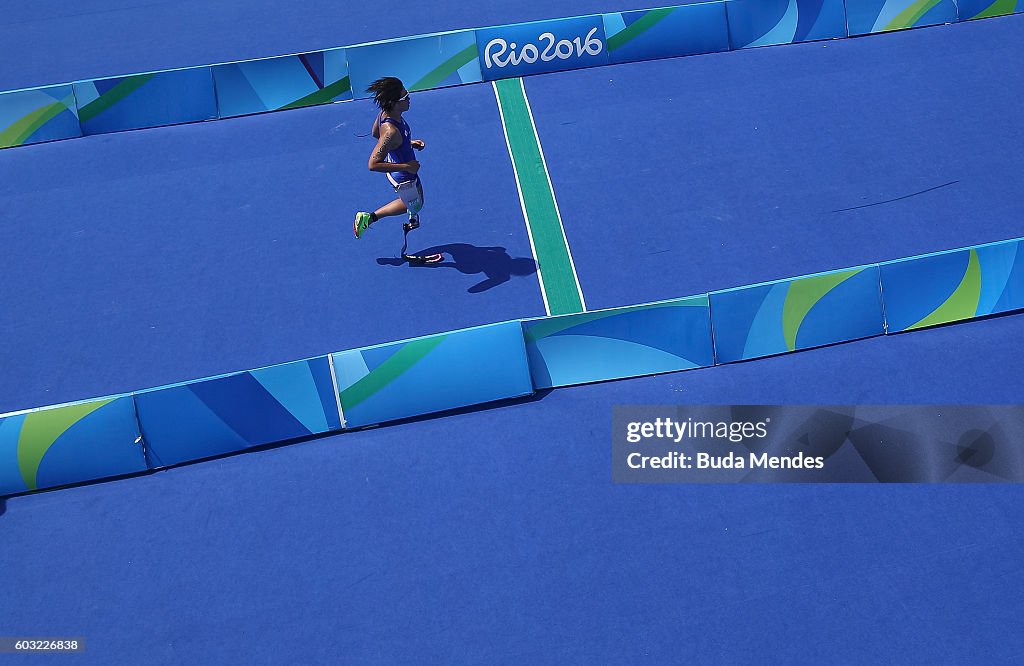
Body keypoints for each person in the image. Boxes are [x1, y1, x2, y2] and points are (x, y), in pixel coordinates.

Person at [353, 77, 440, 262]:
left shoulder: (386, 114)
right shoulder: (391, 131)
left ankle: (408, 210)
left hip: (407, 167)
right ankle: (369, 218)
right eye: (405, 97)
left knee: (417, 200)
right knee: (416, 204)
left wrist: (406, 144)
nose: (409, 98)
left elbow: (376, 133)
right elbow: (373, 164)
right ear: (394, 103)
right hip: (403, 175)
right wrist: (406, 165)